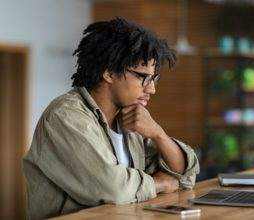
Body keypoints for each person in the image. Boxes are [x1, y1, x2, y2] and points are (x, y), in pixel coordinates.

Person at [23, 17, 200, 219]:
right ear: (108, 72)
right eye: (143, 77)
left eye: (154, 79)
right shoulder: (65, 116)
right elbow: (111, 187)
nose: (151, 89)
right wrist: (160, 184)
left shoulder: (129, 119)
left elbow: (185, 176)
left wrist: (158, 133)